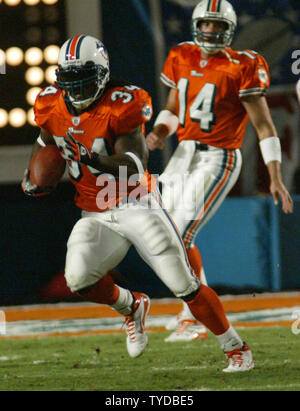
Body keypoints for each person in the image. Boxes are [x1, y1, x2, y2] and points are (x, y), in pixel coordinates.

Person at [22, 34, 254, 372]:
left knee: (184, 285)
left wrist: (94, 160)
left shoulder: (124, 101)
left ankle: (235, 347)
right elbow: (43, 140)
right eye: (69, 79)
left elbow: (134, 163)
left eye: (82, 79)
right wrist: (34, 178)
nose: (75, 88)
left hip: (137, 204)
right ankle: (131, 306)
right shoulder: (49, 104)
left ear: (101, 75)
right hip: (95, 212)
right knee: (79, 278)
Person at [146, 0, 294, 342]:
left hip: (219, 157)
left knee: (179, 235)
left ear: (229, 30)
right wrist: (159, 131)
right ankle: (194, 309)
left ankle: (196, 316)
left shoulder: (243, 65)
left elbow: (265, 127)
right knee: (163, 235)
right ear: (196, 25)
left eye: (218, 26)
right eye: (206, 25)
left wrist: (274, 176)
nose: (211, 31)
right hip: (184, 154)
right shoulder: (181, 55)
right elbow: (171, 109)